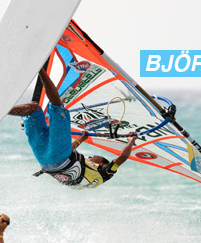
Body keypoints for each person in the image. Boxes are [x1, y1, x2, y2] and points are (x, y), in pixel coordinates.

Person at [9, 69, 138, 189]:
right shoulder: (89, 176)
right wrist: (81, 139)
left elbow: (122, 157)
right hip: (43, 161)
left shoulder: (105, 172)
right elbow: (68, 152)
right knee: (33, 109)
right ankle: (2, 111)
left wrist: (131, 141)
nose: (91, 156)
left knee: (57, 107)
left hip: (59, 158)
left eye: (95, 157)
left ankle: (40, 70)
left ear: (103, 163)